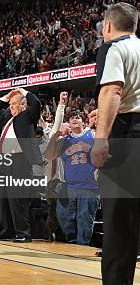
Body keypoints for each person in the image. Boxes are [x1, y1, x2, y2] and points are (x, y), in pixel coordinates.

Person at [90, 3, 140, 285]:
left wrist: (100, 139)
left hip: (126, 137)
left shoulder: (115, 49)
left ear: (108, 26)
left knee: (119, 222)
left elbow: (113, 92)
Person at [45, 92, 99, 245]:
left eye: (78, 117)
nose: (75, 119)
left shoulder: (93, 134)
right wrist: (58, 134)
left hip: (90, 185)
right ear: (67, 123)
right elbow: (49, 154)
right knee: (63, 215)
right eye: (72, 118)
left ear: (83, 122)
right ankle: (72, 240)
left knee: (85, 218)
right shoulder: (64, 140)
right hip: (68, 186)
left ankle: (82, 245)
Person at [0, 88, 42, 243]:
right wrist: (8, 96)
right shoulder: (6, 117)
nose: (10, 107)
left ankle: (23, 233)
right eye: (10, 104)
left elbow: (36, 102)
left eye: (13, 104)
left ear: (23, 105)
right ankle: (7, 231)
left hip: (20, 160)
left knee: (18, 197)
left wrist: (22, 91)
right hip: (4, 161)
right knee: (4, 198)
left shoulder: (28, 116)